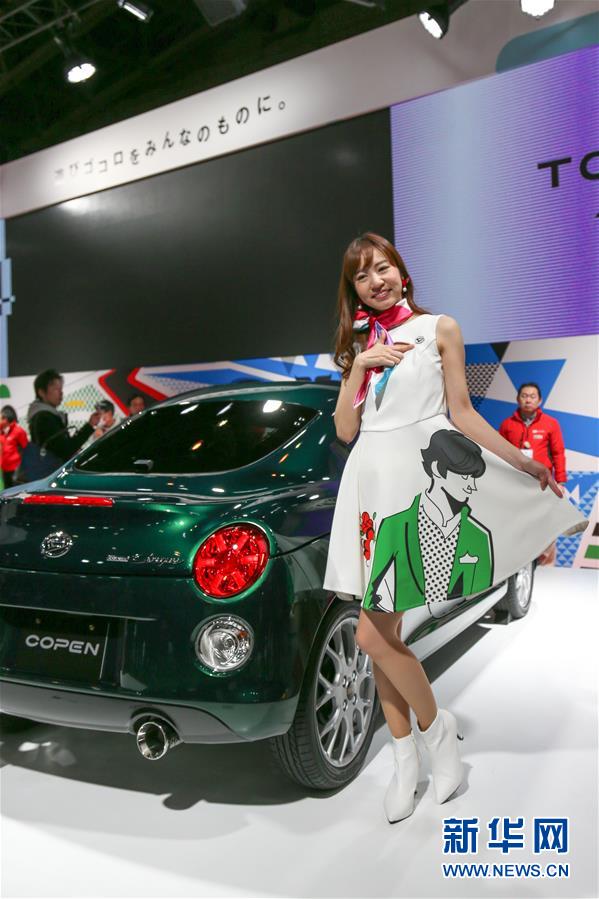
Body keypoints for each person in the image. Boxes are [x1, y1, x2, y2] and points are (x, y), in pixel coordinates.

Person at [323, 233, 585, 824]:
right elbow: (344, 431)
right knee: (383, 637)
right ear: (354, 290)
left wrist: (522, 462)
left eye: (382, 268)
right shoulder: (361, 344)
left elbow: (462, 413)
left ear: (402, 273)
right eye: (362, 276)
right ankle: (407, 761)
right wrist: (358, 367)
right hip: (369, 490)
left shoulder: (438, 328)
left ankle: (435, 734)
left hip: (410, 486)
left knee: (372, 637)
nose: (375, 281)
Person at [27, 369, 100, 465]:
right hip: (52, 471)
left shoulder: (43, 415)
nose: (61, 393)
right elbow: (65, 450)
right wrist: (89, 426)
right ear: (41, 392)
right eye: (55, 389)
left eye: (61, 389)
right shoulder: (44, 418)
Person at [499, 383, 567, 483]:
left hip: (542, 479)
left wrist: (560, 481)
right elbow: (501, 452)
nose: (528, 400)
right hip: (514, 477)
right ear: (518, 399)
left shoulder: (551, 423)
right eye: (524, 396)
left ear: (540, 400)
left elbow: (558, 453)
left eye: (532, 396)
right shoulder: (507, 424)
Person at [0, 405, 29, 489]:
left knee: (17, 490)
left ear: (6, 419)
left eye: (1, 418)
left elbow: (26, 449)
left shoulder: (18, 431)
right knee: (6, 491)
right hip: (5, 469)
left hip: (16, 469)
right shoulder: (2, 432)